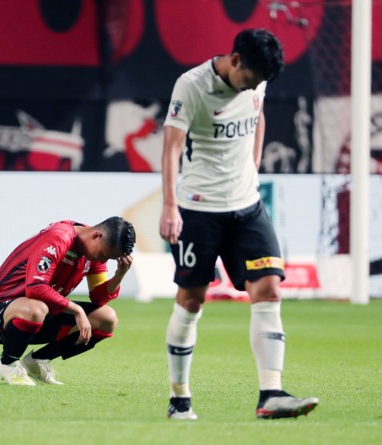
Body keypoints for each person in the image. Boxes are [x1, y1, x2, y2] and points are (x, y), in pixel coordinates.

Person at [159, 28, 318, 420]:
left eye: (260, 81)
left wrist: (254, 163)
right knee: (191, 300)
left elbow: (257, 115)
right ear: (234, 60)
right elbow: (171, 148)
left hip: (247, 207)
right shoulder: (191, 86)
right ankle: (179, 398)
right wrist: (170, 206)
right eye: (250, 77)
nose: (253, 85)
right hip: (199, 209)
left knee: (269, 289)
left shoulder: (256, 81)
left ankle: (271, 394)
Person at [0, 216, 135, 386]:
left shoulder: (91, 250)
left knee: (107, 318)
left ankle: (37, 361)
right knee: (37, 308)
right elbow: (35, 288)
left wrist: (119, 275)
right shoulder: (59, 237)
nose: (103, 261)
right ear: (97, 236)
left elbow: (98, 298)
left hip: (38, 316)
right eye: (104, 255)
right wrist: (77, 310)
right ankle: (8, 363)